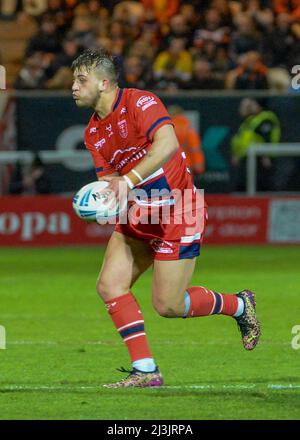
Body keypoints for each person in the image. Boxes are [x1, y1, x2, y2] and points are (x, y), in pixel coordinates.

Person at [71, 49, 260, 388]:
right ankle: (146, 370)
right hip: (138, 216)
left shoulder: (140, 102)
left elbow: (168, 145)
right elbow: (109, 186)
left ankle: (238, 304)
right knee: (110, 285)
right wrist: (99, 206)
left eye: (81, 80)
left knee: (169, 305)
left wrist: (126, 181)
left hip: (179, 212)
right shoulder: (92, 133)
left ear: (103, 82)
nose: (73, 86)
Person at [230, 98, 281, 191]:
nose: (250, 107)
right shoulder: (249, 120)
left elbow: (266, 137)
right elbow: (242, 139)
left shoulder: (266, 118)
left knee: (260, 186)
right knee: (243, 186)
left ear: (259, 106)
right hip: (247, 158)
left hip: (259, 159)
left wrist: (266, 155)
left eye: (253, 105)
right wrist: (236, 154)